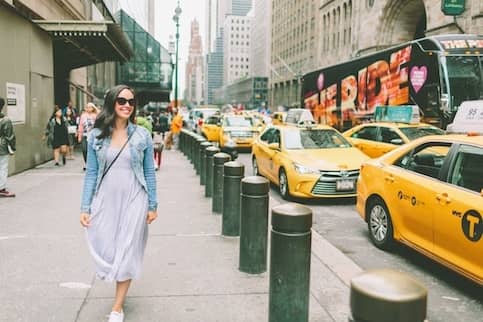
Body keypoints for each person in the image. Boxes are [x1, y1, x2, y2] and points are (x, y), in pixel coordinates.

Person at [79, 85, 157, 322]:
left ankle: (117, 307)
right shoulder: (96, 136)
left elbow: (149, 171)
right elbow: (91, 173)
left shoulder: (142, 135)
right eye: (122, 100)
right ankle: (118, 279)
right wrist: (85, 206)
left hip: (135, 197)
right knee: (108, 246)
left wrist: (153, 204)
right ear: (112, 102)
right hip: (106, 198)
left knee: (127, 248)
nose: (127, 105)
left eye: (131, 102)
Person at [0, 97, 16, 197]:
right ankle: (1, 188)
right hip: (2, 146)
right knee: (2, 167)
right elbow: (10, 136)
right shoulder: (6, 120)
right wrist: (12, 147)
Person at [78, 102, 98, 170]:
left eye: (90, 107)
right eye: (87, 107)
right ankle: (87, 163)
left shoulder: (95, 115)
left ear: (93, 108)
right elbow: (80, 126)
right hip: (85, 135)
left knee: (92, 150)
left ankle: (91, 164)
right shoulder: (83, 115)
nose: (89, 108)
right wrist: (79, 136)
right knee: (84, 149)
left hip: (93, 135)